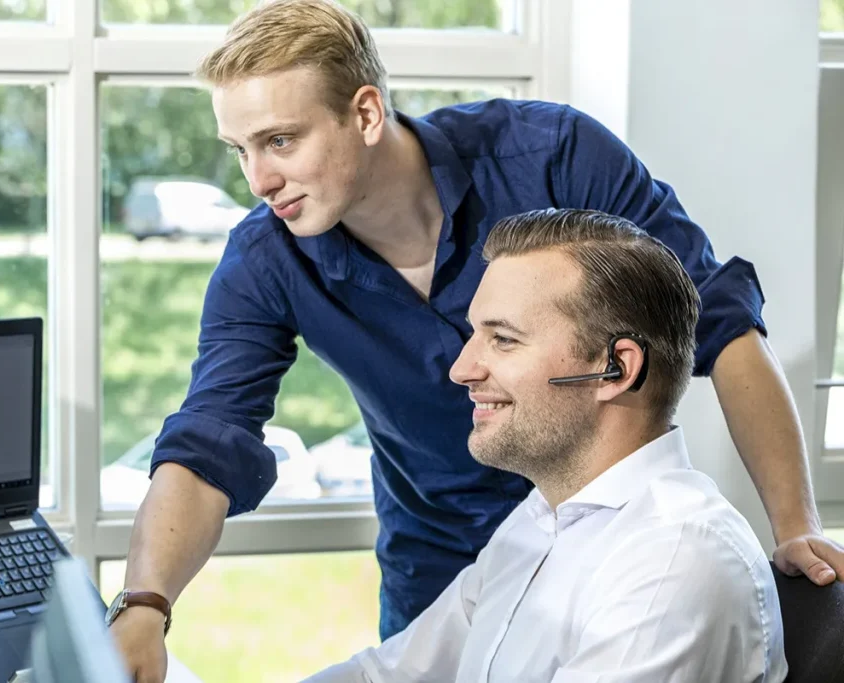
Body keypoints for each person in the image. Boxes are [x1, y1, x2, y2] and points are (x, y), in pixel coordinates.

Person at [107, 1, 842, 680]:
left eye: (280, 141)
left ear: (365, 112)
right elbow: (210, 438)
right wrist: (144, 604)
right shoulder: (269, 257)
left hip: (610, 529)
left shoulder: (550, 157)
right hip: (461, 554)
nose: (257, 179)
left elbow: (716, 318)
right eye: (239, 150)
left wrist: (794, 527)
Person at [300, 207, 789, 683]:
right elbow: (388, 675)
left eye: (504, 340)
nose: (461, 369)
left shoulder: (674, 559)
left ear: (616, 368)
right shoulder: (537, 522)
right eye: (476, 334)